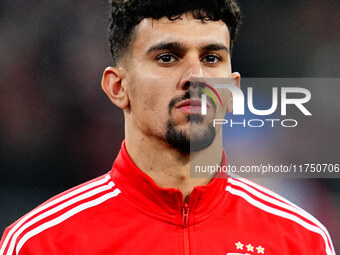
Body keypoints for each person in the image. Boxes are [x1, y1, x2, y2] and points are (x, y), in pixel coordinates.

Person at [0, 0, 335, 254]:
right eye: (167, 58)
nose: (195, 77)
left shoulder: (301, 240)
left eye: (211, 58)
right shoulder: (44, 242)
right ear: (118, 87)